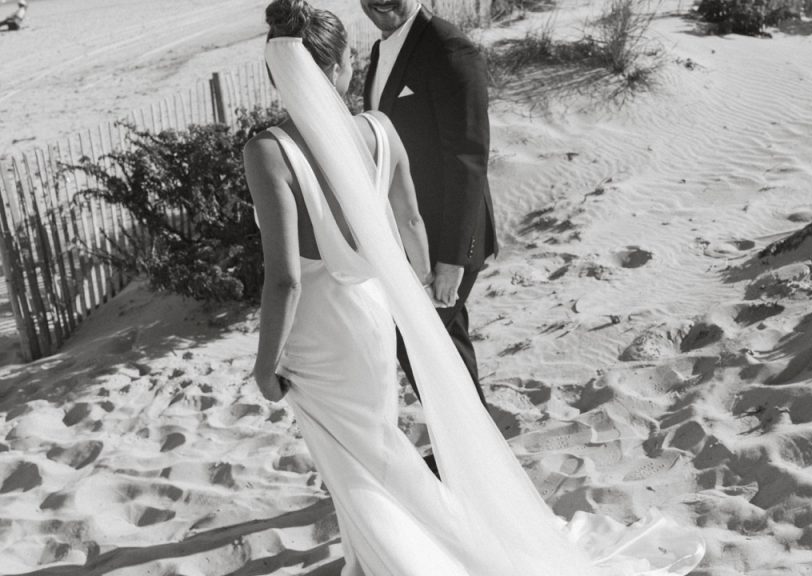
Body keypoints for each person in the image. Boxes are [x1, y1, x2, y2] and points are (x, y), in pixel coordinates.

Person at [247, 1, 704, 574]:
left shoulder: (267, 152)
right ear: (343, 66)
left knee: (354, 459)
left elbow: (285, 279)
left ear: (278, 72)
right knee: (379, 444)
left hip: (318, 332)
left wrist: (265, 365)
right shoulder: (380, 130)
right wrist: (418, 287)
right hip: (371, 313)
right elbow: (411, 221)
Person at [361, 0, 497, 408]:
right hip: (412, 239)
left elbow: (469, 158)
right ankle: (478, 444)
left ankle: (471, 443)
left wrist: (452, 260)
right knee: (448, 348)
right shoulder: (381, 49)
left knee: (415, 345)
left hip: (448, 243)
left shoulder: (450, 48)